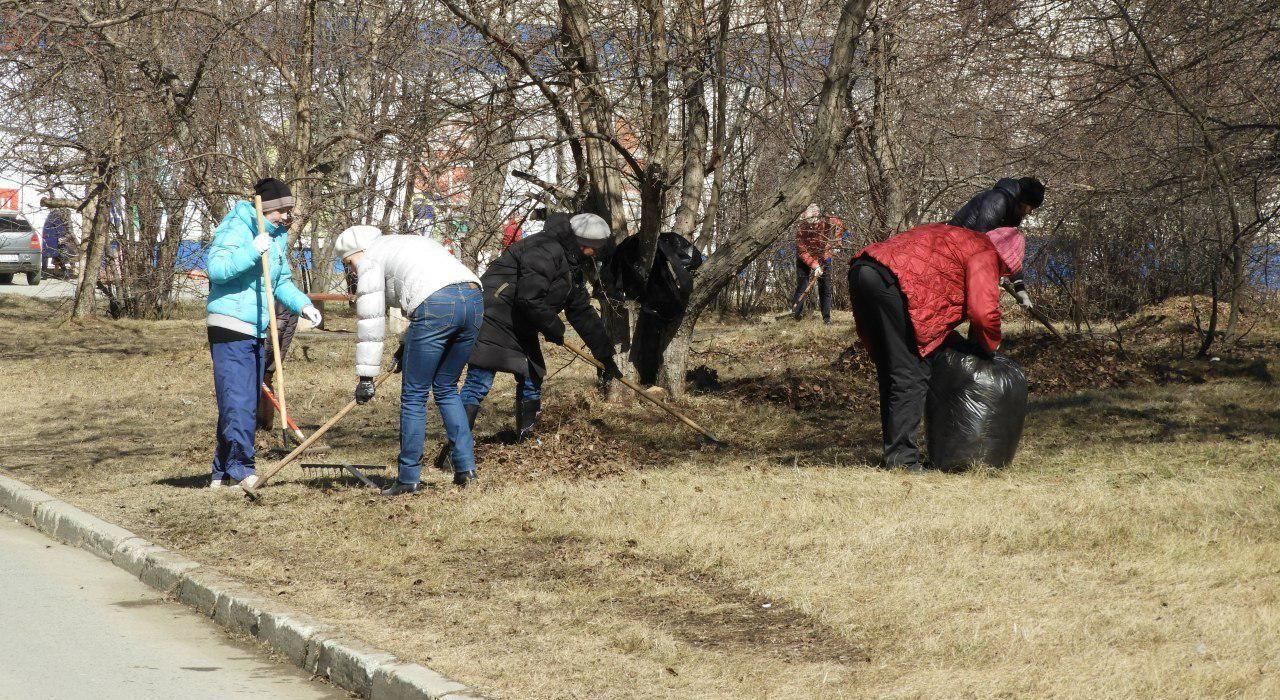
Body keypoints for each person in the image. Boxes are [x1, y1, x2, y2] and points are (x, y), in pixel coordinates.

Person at [848, 224, 1024, 473]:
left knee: (893, 370)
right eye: (1005, 271)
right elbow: (983, 313)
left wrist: (962, 344)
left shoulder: (959, 237)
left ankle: (897, 455)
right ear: (1006, 258)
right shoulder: (986, 252)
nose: (1002, 274)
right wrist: (990, 347)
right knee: (911, 372)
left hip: (864, 269)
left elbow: (934, 306)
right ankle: (903, 461)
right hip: (893, 283)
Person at [334, 225, 484, 494]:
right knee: (446, 388)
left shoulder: (371, 258)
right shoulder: (405, 243)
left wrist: (366, 377)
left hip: (436, 305)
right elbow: (422, 291)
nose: (352, 271)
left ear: (358, 251)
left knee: (414, 395)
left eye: (349, 263)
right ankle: (466, 470)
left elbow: (371, 319)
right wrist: (405, 345)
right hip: (473, 299)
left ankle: (408, 478)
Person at [457, 212, 622, 445]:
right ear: (584, 244)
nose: (596, 254)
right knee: (479, 381)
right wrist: (553, 328)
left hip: (522, 321)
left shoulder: (571, 261)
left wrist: (604, 355)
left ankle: (527, 441)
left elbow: (580, 310)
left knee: (532, 378)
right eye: (595, 249)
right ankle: (456, 449)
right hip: (494, 314)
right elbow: (529, 298)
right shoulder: (544, 249)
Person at [205, 178, 322, 490]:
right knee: (240, 401)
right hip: (230, 324)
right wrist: (252, 251)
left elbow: (280, 281)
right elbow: (217, 269)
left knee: (239, 400)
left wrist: (303, 305)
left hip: (256, 326)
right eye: (282, 210)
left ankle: (222, 471)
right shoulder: (237, 227)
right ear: (266, 209)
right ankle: (242, 468)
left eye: (289, 211)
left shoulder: (277, 236)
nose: (287, 216)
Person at [609, 231, 703, 385]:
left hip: (658, 303)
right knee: (650, 339)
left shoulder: (667, 245)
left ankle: (650, 380)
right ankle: (647, 380)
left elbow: (692, 262)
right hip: (652, 303)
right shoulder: (633, 247)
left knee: (652, 337)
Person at [949, 177, 1044, 309]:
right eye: (1031, 207)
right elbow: (982, 241)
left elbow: (1009, 253)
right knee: (980, 305)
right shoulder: (998, 200)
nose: (1030, 212)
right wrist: (991, 272)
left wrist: (1020, 287)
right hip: (955, 251)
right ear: (1024, 200)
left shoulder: (1014, 212)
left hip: (971, 257)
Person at [791, 204, 842, 324]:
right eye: (807, 221)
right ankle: (795, 315)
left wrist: (837, 242)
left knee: (825, 287)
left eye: (812, 222)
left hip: (823, 256)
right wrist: (815, 266)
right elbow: (802, 251)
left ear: (817, 215)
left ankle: (827, 319)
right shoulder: (801, 229)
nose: (810, 225)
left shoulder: (826, 220)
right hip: (805, 259)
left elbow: (838, 224)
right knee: (802, 285)